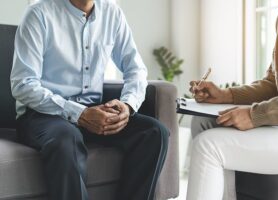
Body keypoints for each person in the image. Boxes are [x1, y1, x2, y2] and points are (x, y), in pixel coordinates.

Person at [10, 0, 169, 200]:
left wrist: (127, 105)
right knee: (66, 139)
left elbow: (136, 69)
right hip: (43, 113)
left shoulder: (112, 13)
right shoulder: (38, 14)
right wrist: (80, 114)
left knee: (154, 132)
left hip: (93, 109)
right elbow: (23, 84)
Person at [187, 0, 278, 199]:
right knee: (202, 122)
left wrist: (255, 115)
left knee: (207, 145)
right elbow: (274, 82)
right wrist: (226, 95)